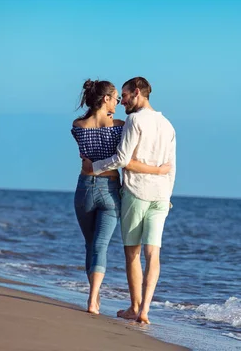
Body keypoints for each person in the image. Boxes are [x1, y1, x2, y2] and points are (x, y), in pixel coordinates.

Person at [72, 79, 170, 315]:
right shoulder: (120, 125)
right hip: (112, 188)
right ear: (106, 99)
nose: (119, 101)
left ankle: (94, 297)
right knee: (102, 244)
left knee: (91, 245)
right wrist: (158, 171)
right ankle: (104, 301)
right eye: (116, 98)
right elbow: (125, 157)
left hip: (85, 187)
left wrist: (92, 165)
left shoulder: (78, 125)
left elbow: (87, 158)